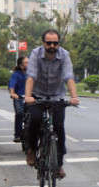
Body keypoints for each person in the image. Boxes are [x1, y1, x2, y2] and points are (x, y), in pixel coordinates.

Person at [24, 29, 79, 177]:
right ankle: (32, 150)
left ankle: (58, 165)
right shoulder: (36, 54)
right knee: (35, 120)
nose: (52, 46)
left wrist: (74, 97)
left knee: (59, 128)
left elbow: (68, 77)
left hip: (57, 96)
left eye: (55, 43)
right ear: (43, 43)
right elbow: (31, 76)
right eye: (49, 43)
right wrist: (28, 96)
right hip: (38, 95)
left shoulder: (64, 55)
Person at [8, 56, 29, 143]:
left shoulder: (31, 73)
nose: (29, 64)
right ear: (21, 65)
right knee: (20, 113)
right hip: (20, 98)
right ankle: (17, 135)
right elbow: (12, 84)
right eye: (26, 62)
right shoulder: (16, 74)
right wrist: (13, 93)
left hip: (31, 98)